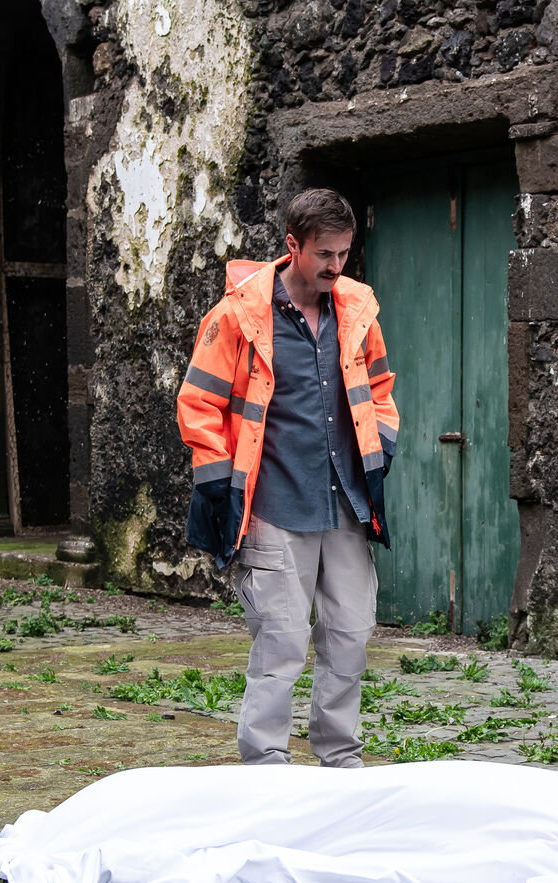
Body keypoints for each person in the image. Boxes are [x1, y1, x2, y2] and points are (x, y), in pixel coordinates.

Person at [177, 188, 398, 768]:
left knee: (350, 636)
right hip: (273, 505)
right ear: (292, 245)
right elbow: (198, 403)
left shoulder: (358, 310)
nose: (335, 266)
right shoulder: (237, 317)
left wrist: (382, 453)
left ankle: (340, 757)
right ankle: (266, 767)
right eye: (324, 254)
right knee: (280, 645)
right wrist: (223, 492)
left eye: (344, 253)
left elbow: (380, 391)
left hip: (347, 504)